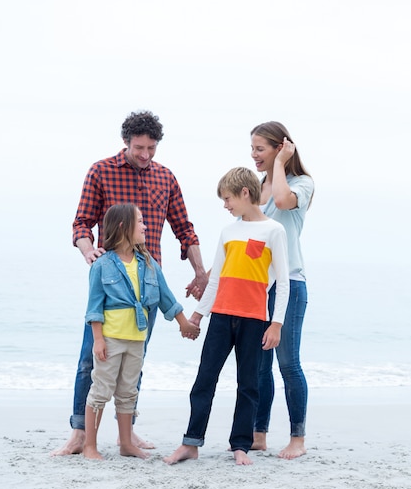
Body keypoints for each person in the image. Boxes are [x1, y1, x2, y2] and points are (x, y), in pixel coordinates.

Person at [51, 110, 208, 457]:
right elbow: (81, 223)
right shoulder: (101, 171)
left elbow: (185, 228)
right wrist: (88, 250)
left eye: (152, 148)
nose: (146, 154)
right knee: (91, 359)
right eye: (140, 147)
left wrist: (199, 271)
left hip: (147, 288)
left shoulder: (165, 177)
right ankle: (80, 433)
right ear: (126, 142)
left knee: (134, 361)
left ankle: (127, 433)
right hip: (111, 285)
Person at [163, 167, 289, 466]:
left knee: (248, 385)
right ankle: (191, 443)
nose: (225, 205)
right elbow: (216, 279)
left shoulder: (273, 230)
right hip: (221, 317)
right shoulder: (228, 232)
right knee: (204, 380)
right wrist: (197, 316)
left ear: (245, 193)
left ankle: (240, 446)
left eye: (228, 198)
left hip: (254, 319)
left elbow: (282, 282)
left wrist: (276, 323)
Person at [83, 204, 199, 460]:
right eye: (140, 221)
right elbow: (94, 308)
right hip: (111, 339)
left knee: (128, 391)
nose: (146, 226)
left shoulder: (148, 263)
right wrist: (98, 340)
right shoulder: (102, 265)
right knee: (101, 389)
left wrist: (183, 323)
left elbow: (166, 297)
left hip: (137, 339)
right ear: (124, 226)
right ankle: (90, 446)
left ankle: (126, 443)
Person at [250, 121, 314, 459]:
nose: (253, 155)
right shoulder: (259, 186)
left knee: (288, 364)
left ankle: (297, 439)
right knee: (260, 366)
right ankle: (259, 434)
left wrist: (278, 165)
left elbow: (282, 200)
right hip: (259, 287)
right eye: (253, 148)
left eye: (260, 148)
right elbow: (247, 232)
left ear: (280, 148)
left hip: (291, 284)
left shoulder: (301, 184)